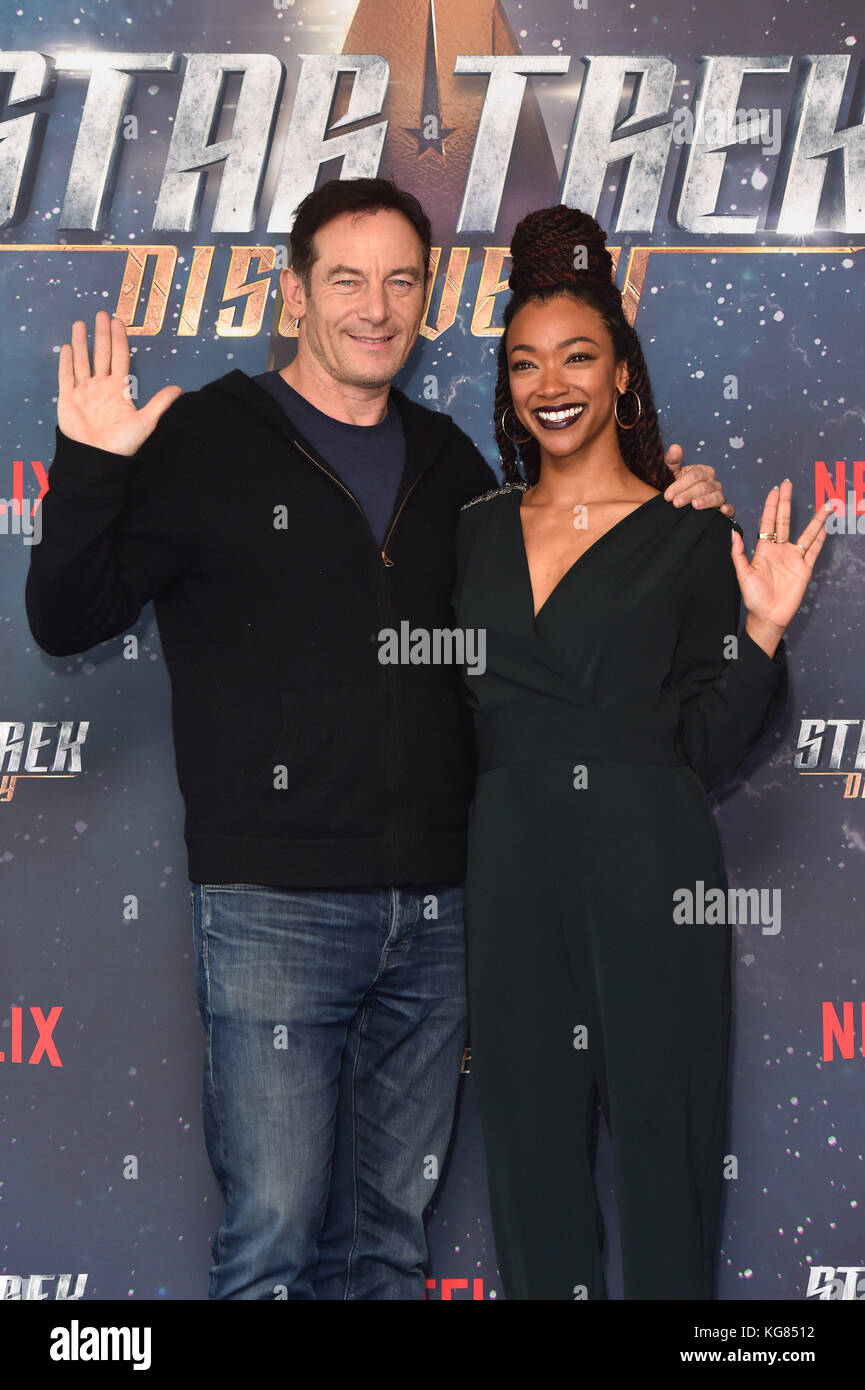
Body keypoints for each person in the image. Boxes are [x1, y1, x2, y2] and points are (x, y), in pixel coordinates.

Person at [26, 178, 730, 1300]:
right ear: (293, 293)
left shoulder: (454, 464)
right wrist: (93, 461)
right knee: (269, 1242)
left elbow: (563, 588)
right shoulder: (209, 435)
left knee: (388, 1249)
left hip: (445, 912)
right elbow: (65, 621)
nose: (376, 305)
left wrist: (673, 501)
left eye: (402, 280)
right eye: (346, 278)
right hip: (274, 907)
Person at [452, 204, 828, 1301]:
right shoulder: (469, 529)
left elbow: (704, 748)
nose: (550, 381)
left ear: (621, 372)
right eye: (525, 362)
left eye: (578, 355)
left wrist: (757, 632)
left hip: (649, 873)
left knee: (668, 1159)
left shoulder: (687, 532)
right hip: (510, 875)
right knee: (528, 1173)